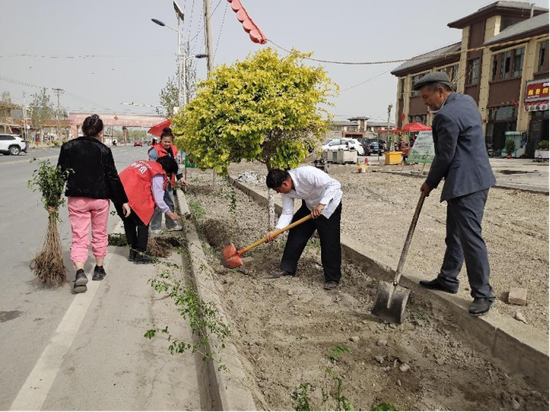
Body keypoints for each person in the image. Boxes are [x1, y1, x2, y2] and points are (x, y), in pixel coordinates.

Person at [413, 72, 496, 316]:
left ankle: (483, 293)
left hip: (466, 184)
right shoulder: (467, 101)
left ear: (440, 91)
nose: (425, 102)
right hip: (476, 179)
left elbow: (444, 156)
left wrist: (430, 183)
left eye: (427, 96)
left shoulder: (445, 117)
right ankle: (448, 278)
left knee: (470, 238)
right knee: (455, 234)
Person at [57, 114, 130, 294]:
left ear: (82, 129)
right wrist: (123, 201)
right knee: (99, 233)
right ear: (101, 132)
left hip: (77, 200)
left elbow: (60, 174)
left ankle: (80, 271)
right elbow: (112, 178)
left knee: (79, 236)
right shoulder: (104, 150)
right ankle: (98, 268)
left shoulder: (68, 147)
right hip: (99, 200)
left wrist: (52, 198)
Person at [265, 167, 343, 290]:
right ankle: (287, 268)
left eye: (278, 189)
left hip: (329, 207)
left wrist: (322, 204)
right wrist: (277, 230)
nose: (278, 192)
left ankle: (332, 278)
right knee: (296, 232)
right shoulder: (287, 191)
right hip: (310, 207)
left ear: (285, 183)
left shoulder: (307, 174)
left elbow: (335, 184)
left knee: (329, 242)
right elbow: (287, 213)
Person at [117, 156, 181, 264]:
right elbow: (158, 198)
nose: (168, 177)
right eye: (169, 174)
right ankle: (141, 254)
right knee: (142, 223)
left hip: (118, 194)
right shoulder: (158, 173)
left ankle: (133, 253)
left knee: (129, 223)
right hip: (131, 197)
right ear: (167, 169)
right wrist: (169, 213)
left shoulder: (145, 164)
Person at [148, 127, 187, 233]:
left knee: (169, 203)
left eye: (169, 142)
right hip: (158, 181)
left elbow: (175, 165)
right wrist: (164, 177)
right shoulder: (154, 151)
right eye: (165, 141)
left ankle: (171, 224)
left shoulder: (173, 149)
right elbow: (153, 167)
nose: (167, 144)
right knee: (158, 204)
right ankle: (155, 227)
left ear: (172, 141)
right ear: (161, 140)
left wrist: (180, 177)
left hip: (170, 181)